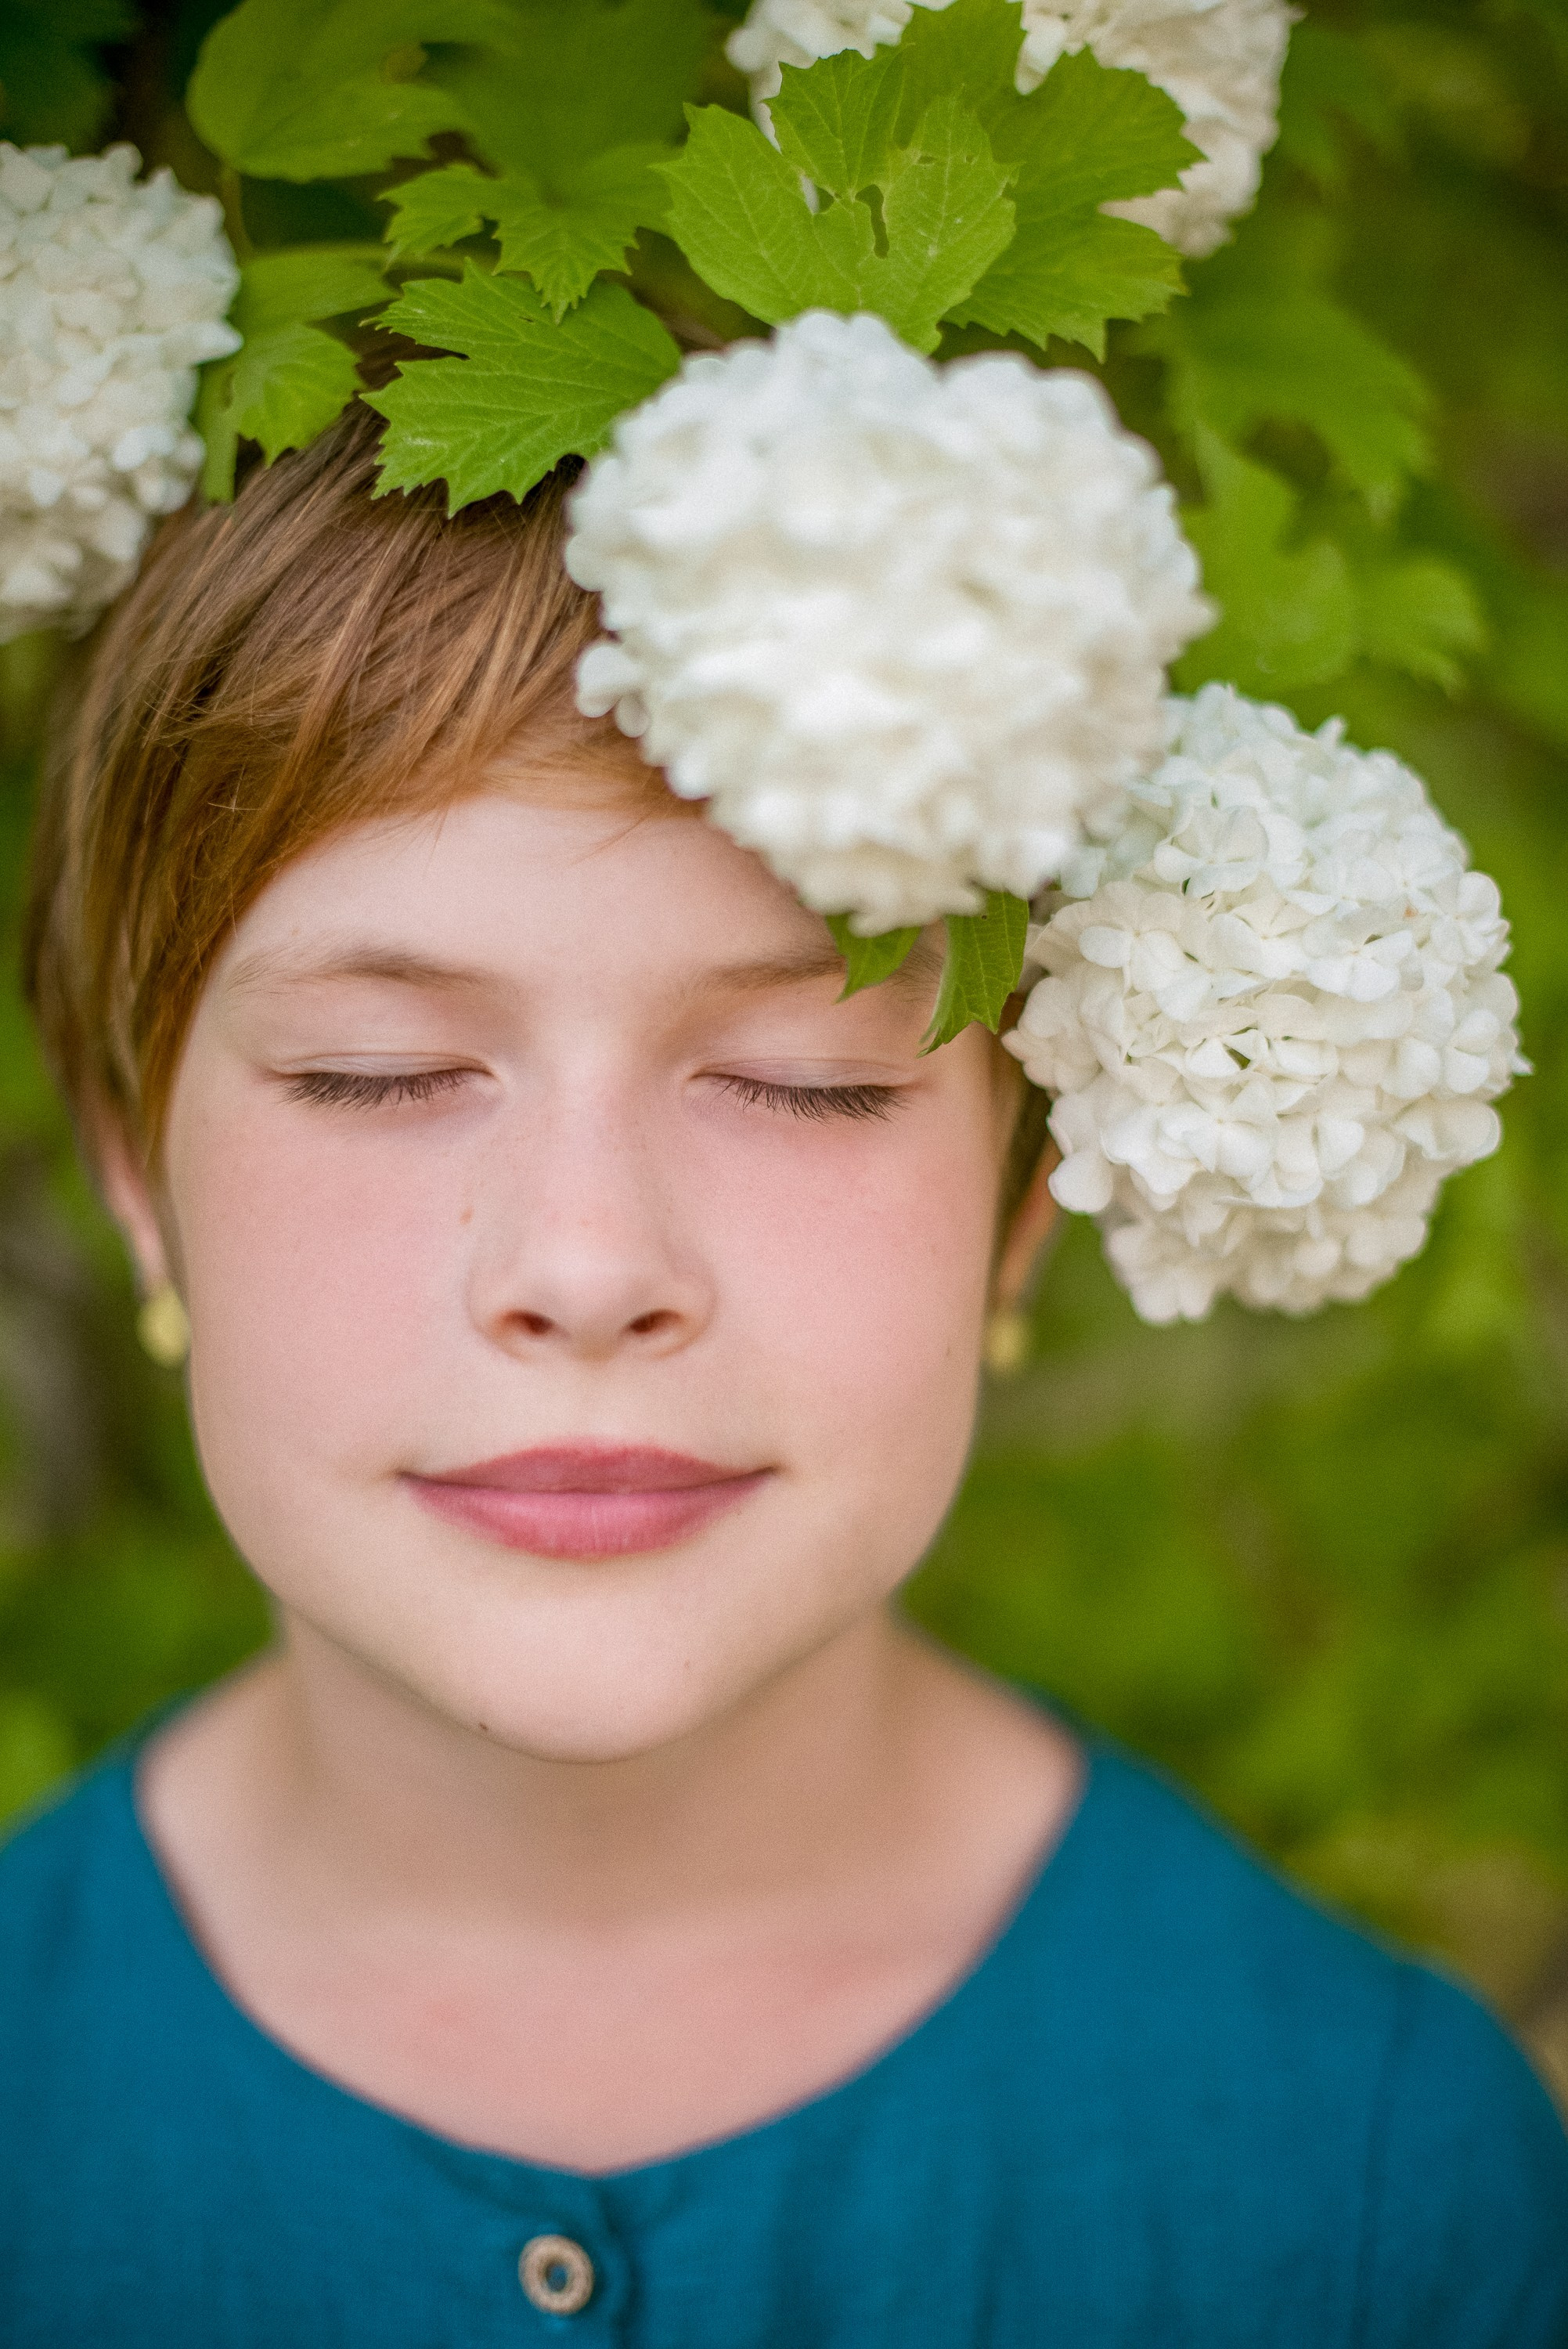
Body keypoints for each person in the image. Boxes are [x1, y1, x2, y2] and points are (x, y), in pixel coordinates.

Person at [0, 392, 1564, 2349]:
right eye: (375, 1074)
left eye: (802, 1082)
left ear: (1024, 1199)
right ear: (138, 1176)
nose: (586, 1268)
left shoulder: (1372, 2192)